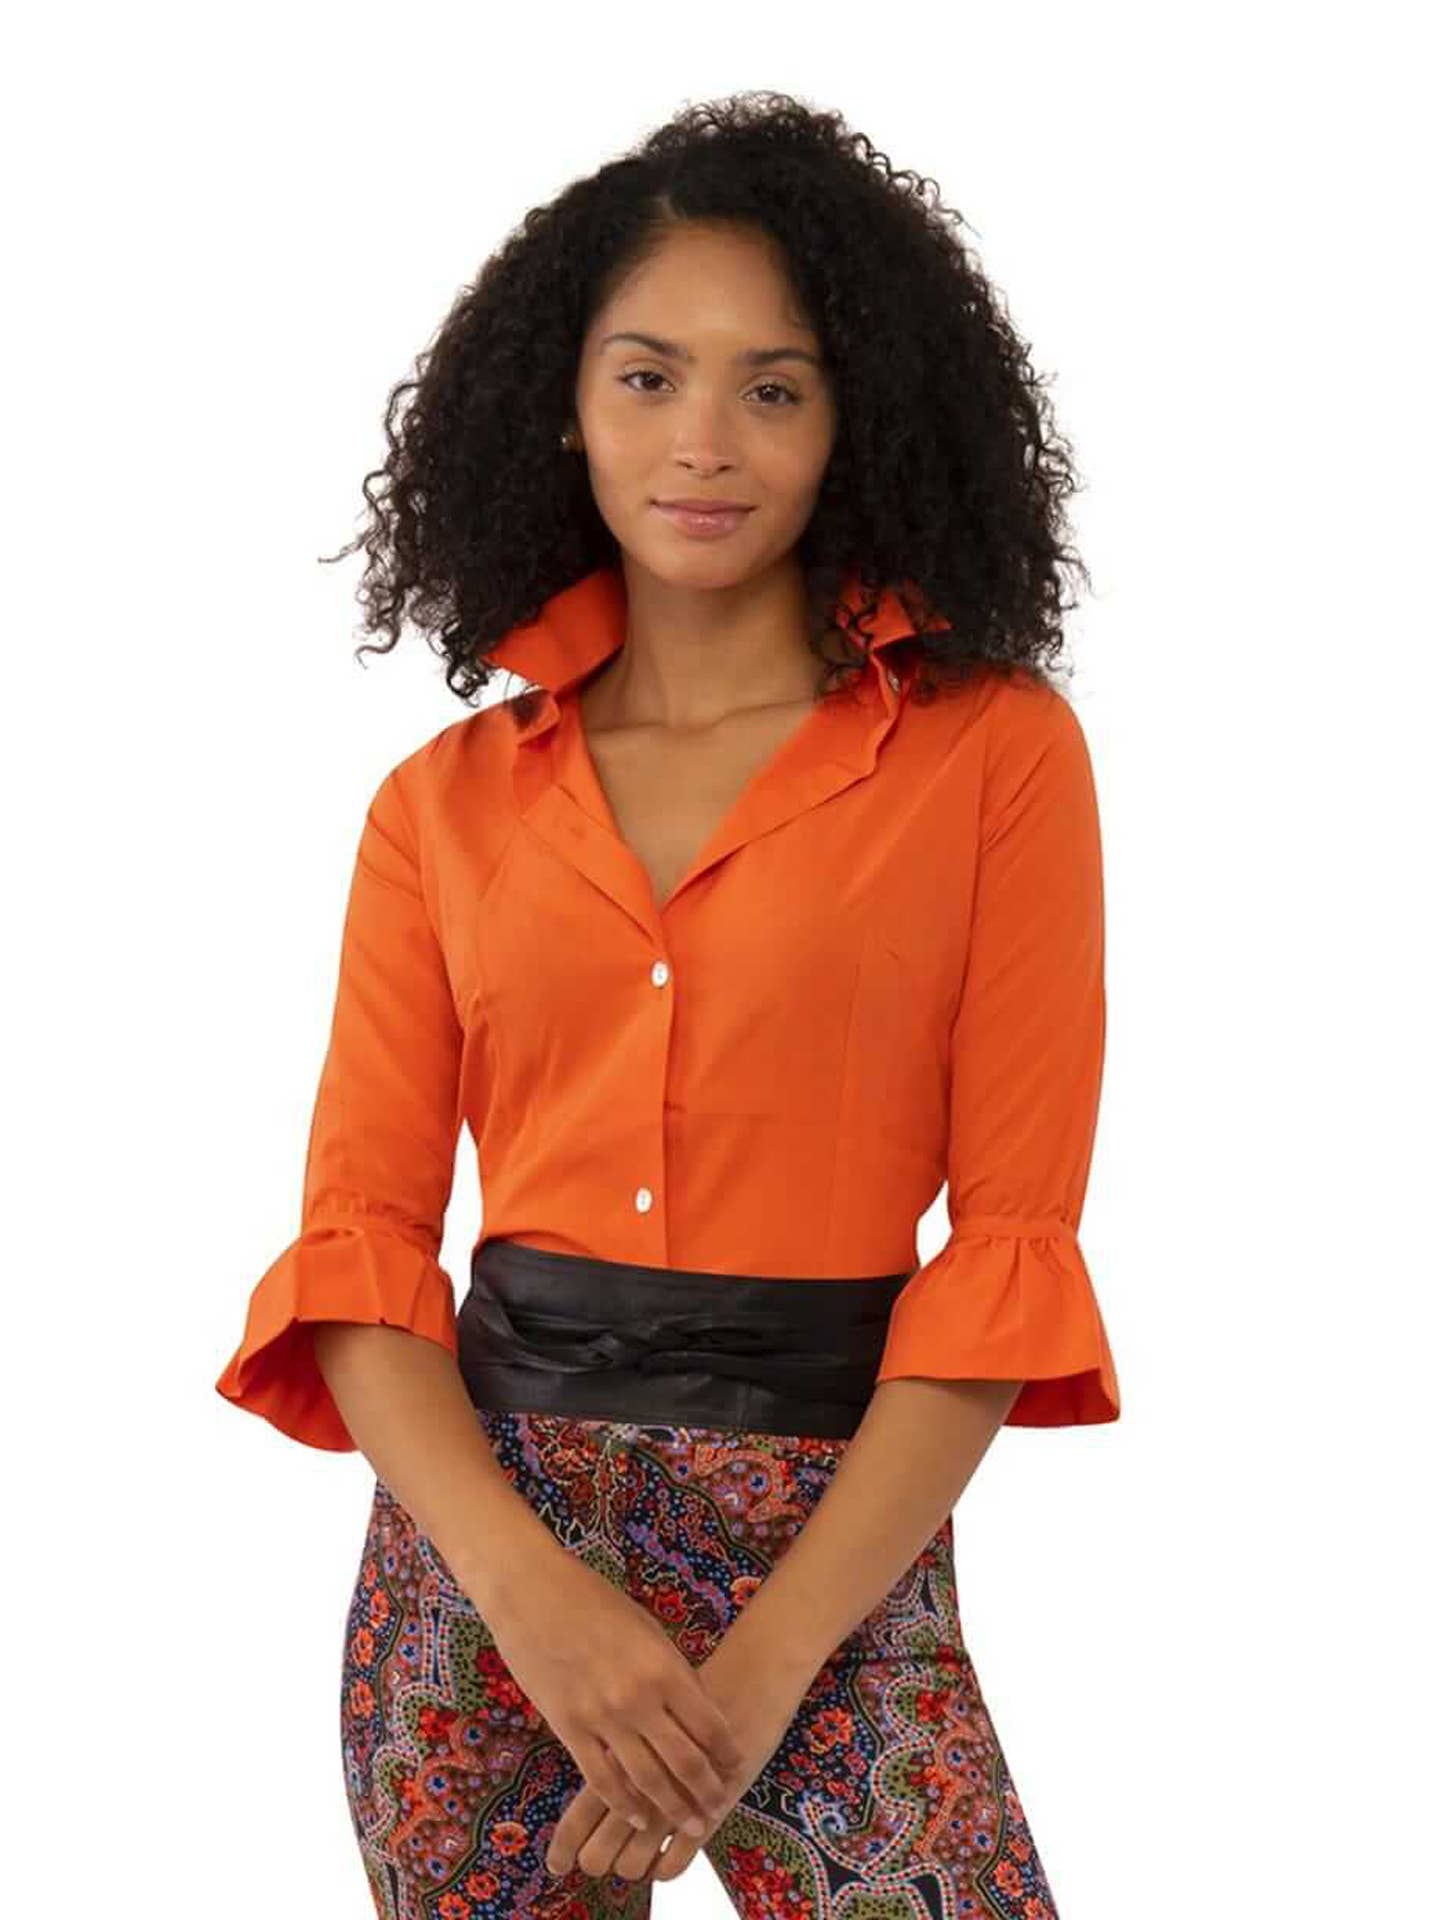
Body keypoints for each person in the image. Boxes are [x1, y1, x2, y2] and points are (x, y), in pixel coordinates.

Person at [214, 89, 1119, 1919]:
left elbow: (1010, 1251)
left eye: (774, 388)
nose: (704, 442)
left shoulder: (996, 759)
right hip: (486, 1572)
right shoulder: (439, 808)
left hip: (831, 1562)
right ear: (566, 404)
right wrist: (534, 1609)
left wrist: (765, 1674)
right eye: (648, 378)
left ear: (857, 419)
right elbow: (361, 1250)